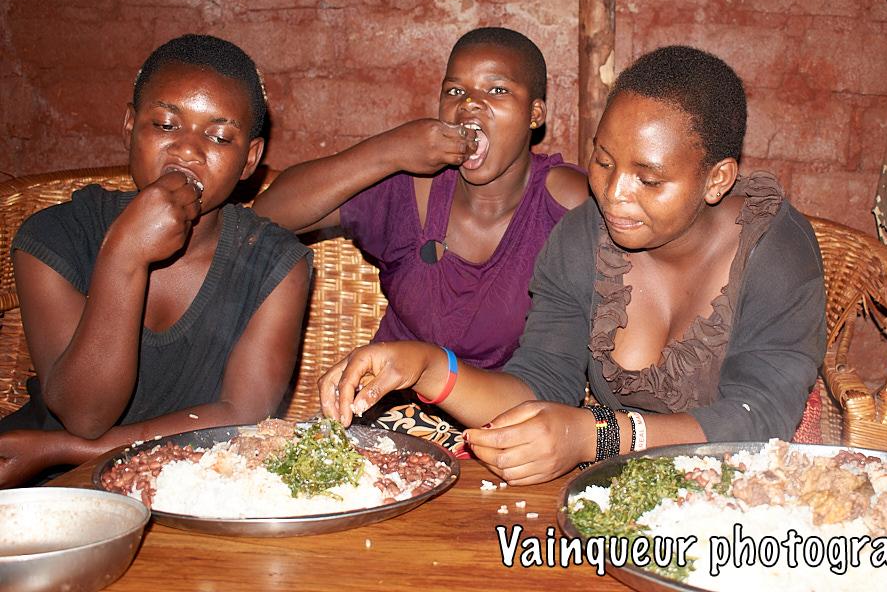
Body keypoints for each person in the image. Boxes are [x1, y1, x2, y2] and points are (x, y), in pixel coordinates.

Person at [319, 45, 826, 485]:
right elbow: (542, 382)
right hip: (619, 498)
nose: (614, 194)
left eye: (649, 180)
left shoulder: (774, 250)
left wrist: (596, 436)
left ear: (717, 180)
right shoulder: (583, 238)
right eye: (603, 162)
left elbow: (759, 418)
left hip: (749, 502)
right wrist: (429, 367)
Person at [252, 27, 588, 448]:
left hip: (507, 434)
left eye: (497, 90)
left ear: (535, 114)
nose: (470, 104)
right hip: (382, 425)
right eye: (455, 91)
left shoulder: (565, 205)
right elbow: (267, 215)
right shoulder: (413, 186)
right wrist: (390, 150)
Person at [0, 34, 312, 487]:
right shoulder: (55, 236)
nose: (187, 150)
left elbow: (241, 420)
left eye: (219, 136)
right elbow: (85, 413)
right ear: (130, 126)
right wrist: (123, 253)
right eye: (166, 125)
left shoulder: (273, 263)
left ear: (250, 159)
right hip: (44, 488)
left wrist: (63, 450)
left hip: (190, 486)